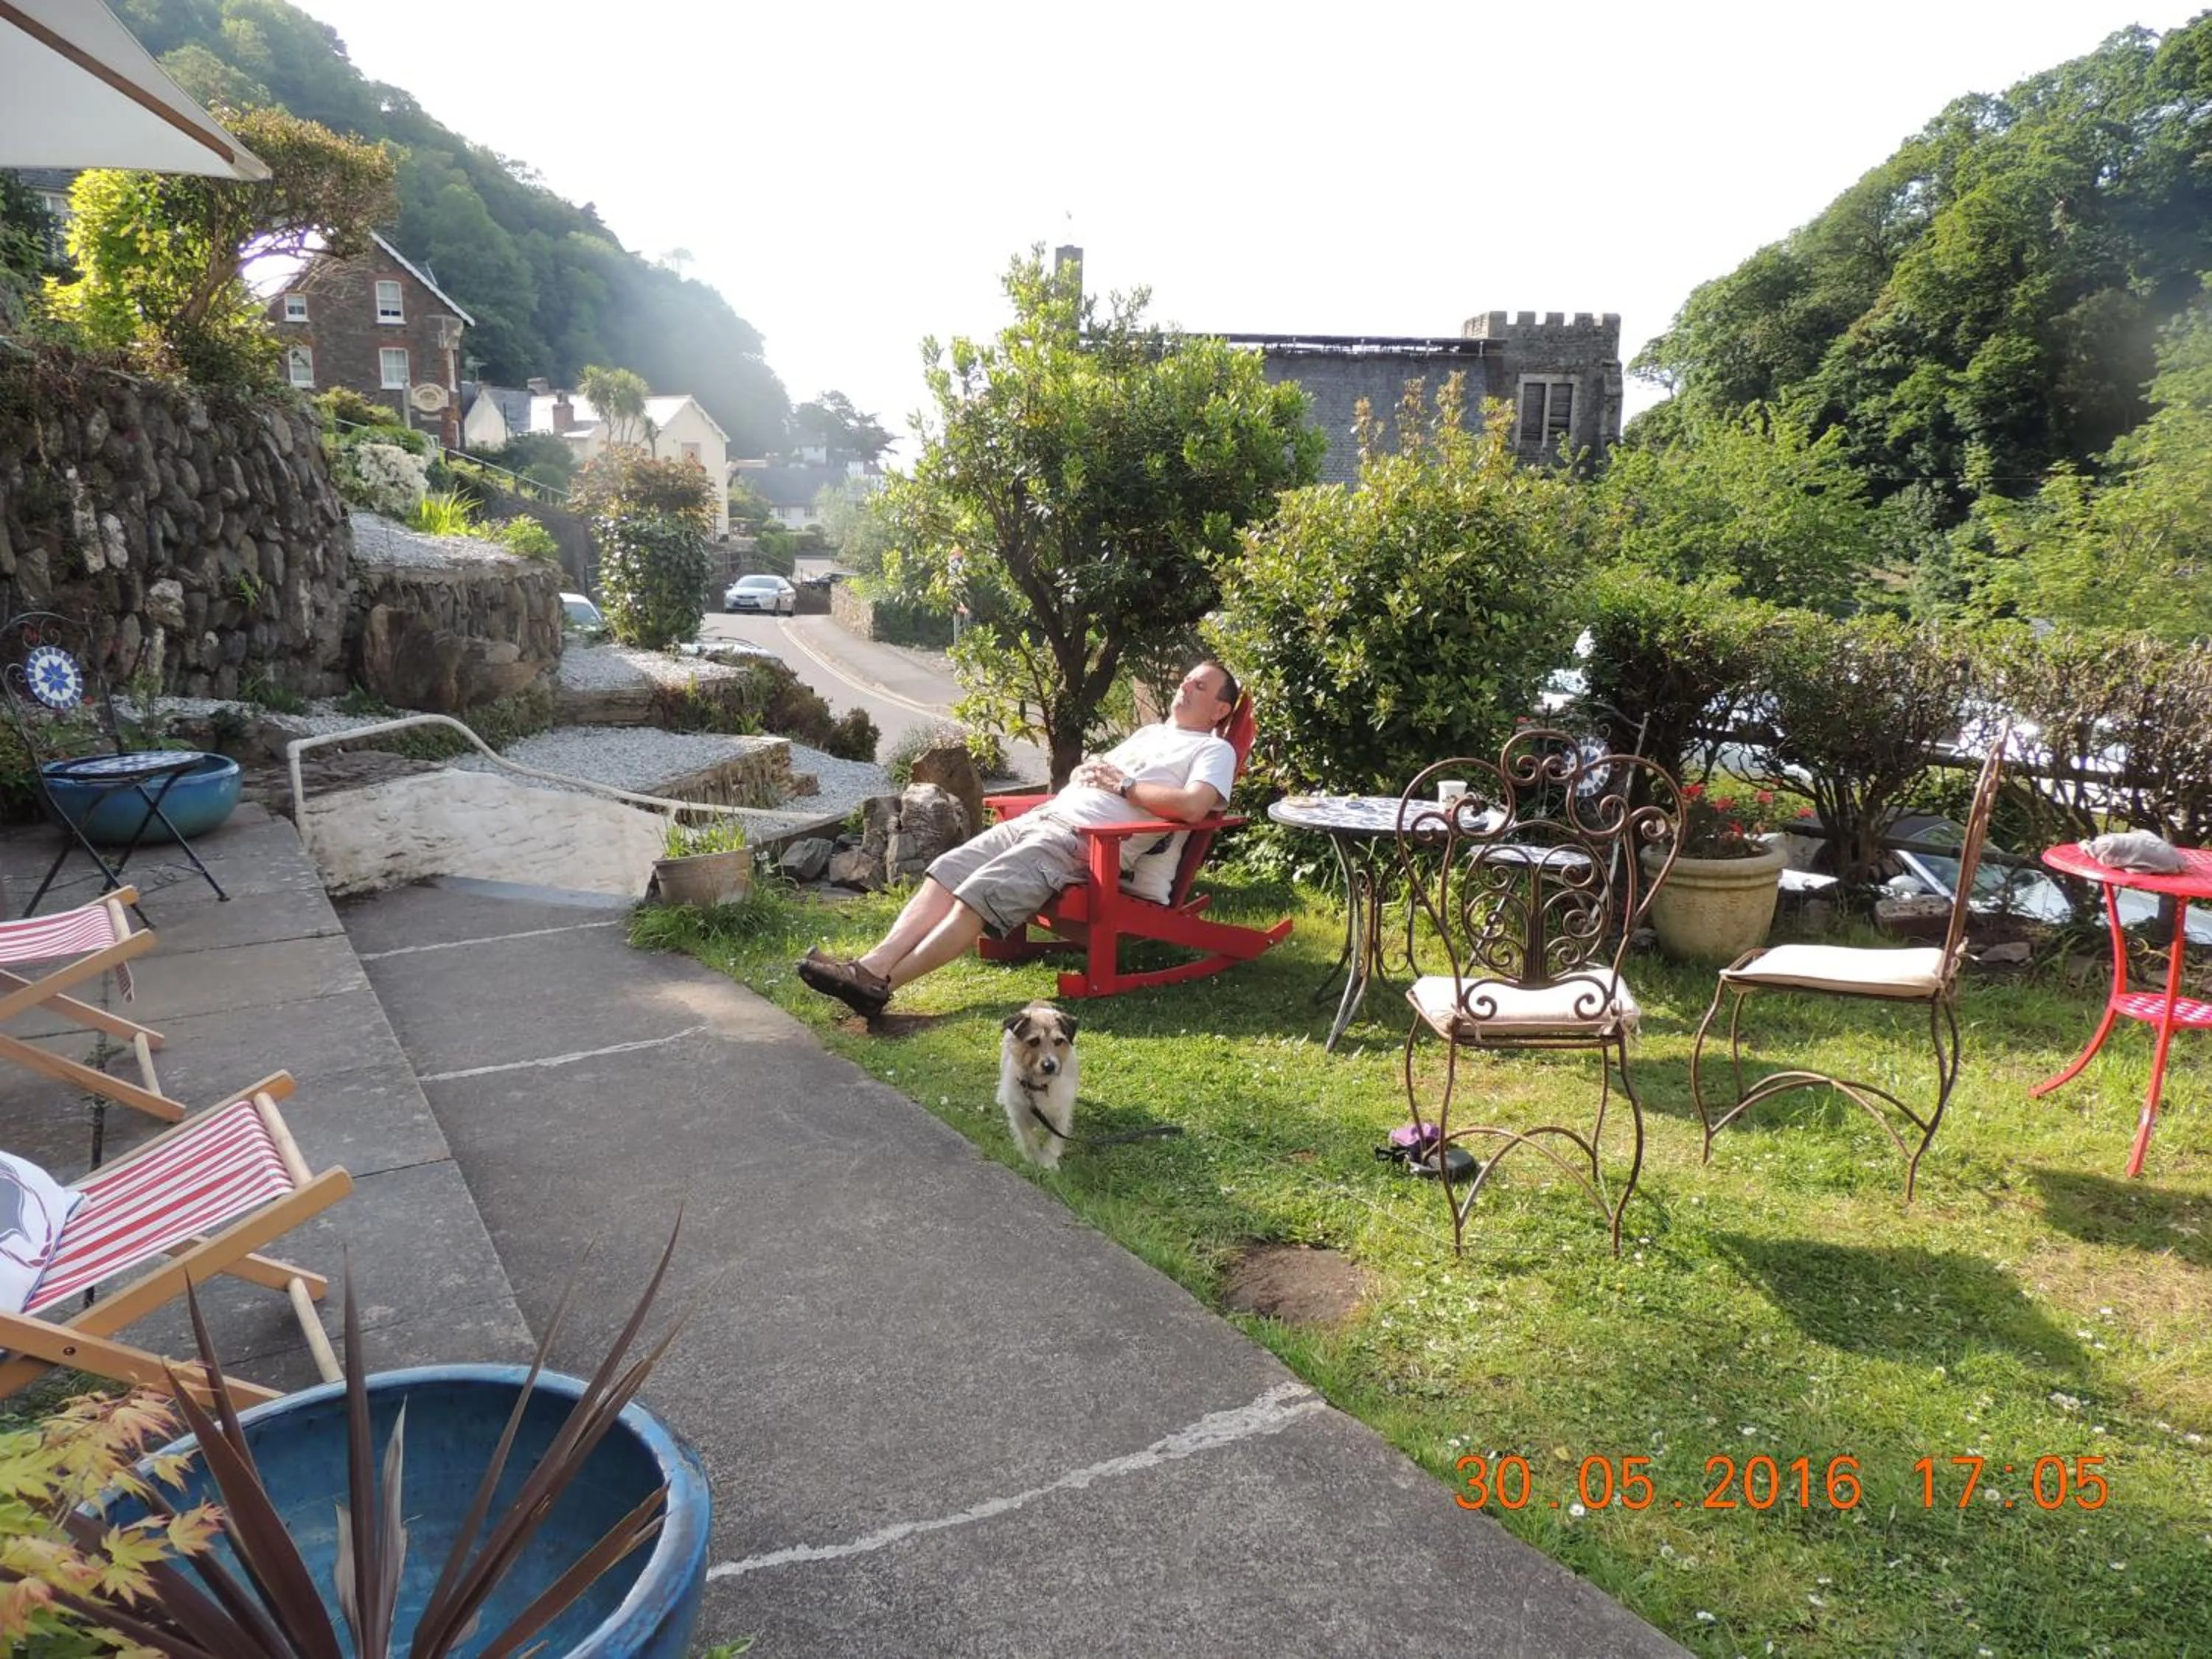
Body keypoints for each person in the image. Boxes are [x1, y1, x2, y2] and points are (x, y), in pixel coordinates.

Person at [797, 661, 1241, 1018]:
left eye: (1200, 686)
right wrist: (1086, 774)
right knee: (947, 873)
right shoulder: (1151, 734)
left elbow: (1193, 806)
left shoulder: (1213, 751)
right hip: (1045, 817)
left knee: (977, 895)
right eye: (1187, 679)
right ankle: (872, 965)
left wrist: (1124, 786)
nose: (1186, 686)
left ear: (1220, 711)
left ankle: (881, 985)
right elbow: (1103, 777)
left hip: (1081, 842)